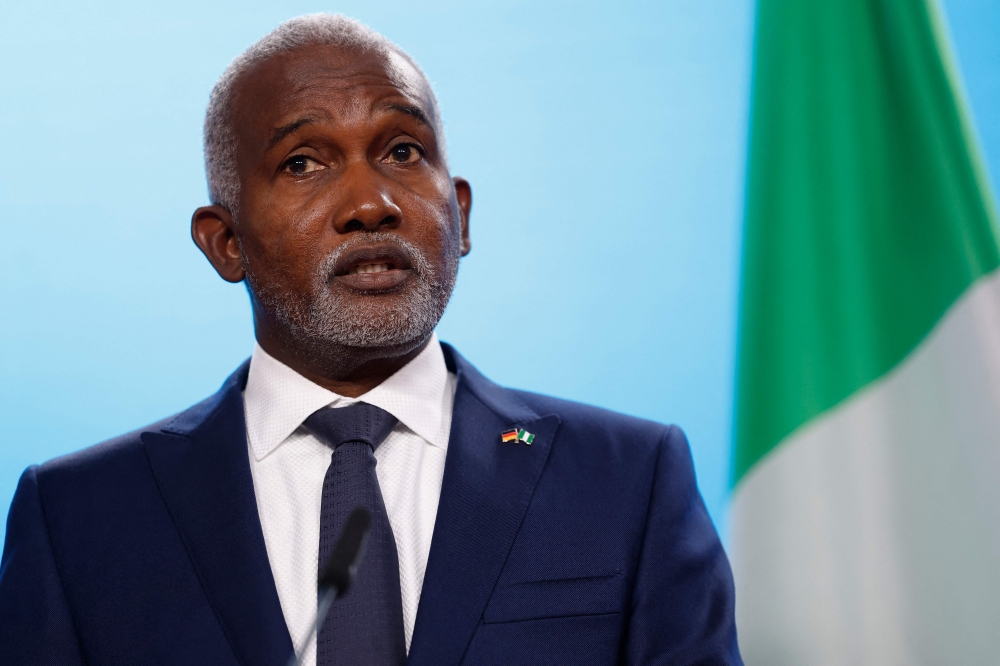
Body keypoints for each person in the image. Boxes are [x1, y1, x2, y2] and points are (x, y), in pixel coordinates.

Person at [0, 14, 741, 666]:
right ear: (226, 242)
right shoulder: (77, 517)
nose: (370, 203)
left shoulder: (628, 480)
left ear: (460, 215)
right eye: (302, 163)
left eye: (403, 152)